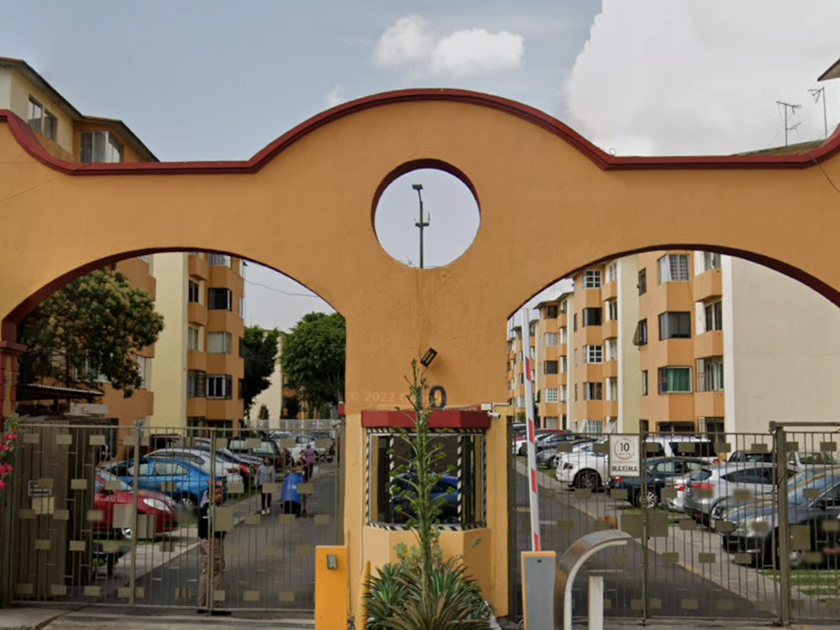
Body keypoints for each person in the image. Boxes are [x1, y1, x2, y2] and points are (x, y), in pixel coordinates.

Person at [197, 482, 228, 615]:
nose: (219, 496)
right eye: (216, 493)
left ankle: (201, 604)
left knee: (206, 571)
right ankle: (215, 606)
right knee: (216, 571)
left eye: (220, 493)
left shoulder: (204, 507)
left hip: (204, 540)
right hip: (213, 541)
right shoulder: (211, 509)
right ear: (209, 495)